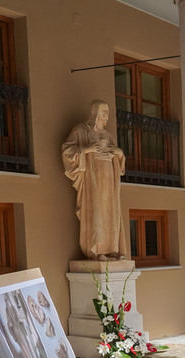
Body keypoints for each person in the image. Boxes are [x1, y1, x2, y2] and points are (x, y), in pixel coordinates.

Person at [61, 99, 128, 260]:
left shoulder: (108, 135)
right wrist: (87, 149)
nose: (105, 117)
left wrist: (119, 153)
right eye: (102, 113)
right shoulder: (81, 130)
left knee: (110, 213)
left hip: (109, 179)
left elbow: (119, 160)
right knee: (96, 212)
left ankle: (112, 249)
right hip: (92, 179)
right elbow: (66, 151)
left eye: (107, 114)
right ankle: (97, 251)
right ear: (95, 113)